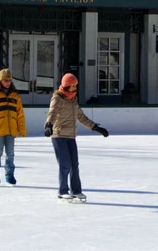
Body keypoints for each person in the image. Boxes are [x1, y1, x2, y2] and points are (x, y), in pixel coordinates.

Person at [44, 72, 109, 202]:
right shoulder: (57, 98)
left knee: (74, 164)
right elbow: (52, 113)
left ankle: (76, 191)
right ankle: (62, 191)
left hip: (71, 136)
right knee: (65, 164)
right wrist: (48, 125)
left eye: (76, 85)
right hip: (59, 135)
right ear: (66, 85)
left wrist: (95, 127)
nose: (75, 88)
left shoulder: (73, 99)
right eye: (72, 85)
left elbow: (81, 116)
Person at [0, 68, 26, 186]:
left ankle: (10, 175)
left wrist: (21, 129)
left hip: (11, 129)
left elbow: (20, 114)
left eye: (10, 80)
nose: (8, 83)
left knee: (10, 153)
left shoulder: (14, 96)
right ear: (0, 81)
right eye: (5, 80)